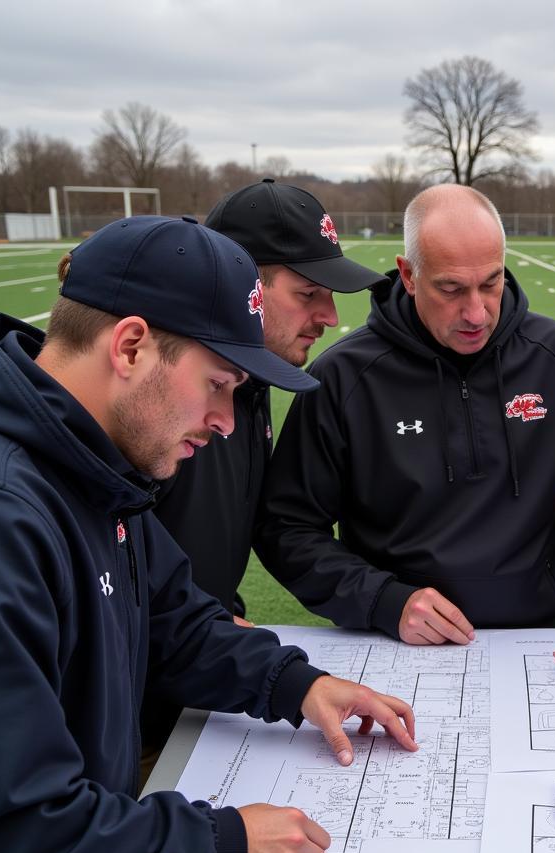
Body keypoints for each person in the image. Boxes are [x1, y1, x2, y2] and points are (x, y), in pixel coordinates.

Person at [0, 216, 417, 853]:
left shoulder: (88, 465)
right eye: (219, 382)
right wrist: (220, 850)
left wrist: (298, 683)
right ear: (130, 347)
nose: (226, 421)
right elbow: (20, 825)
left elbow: (177, 622)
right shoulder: (11, 513)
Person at [255, 183, 555, 644]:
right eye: (451, 288)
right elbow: (289, 528)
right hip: (391, 643)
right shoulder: (344, 377)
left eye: (491, 282)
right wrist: (383, 600)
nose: (477, 313)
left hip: (531, 642)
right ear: (408, 275)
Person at [142, 180, 385, 760]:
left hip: (203, 687)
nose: (330, 315)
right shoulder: (149, 405)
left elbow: (262, 530)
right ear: (239, 281)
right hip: (134, 722)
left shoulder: (252, 383)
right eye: (308, 293)